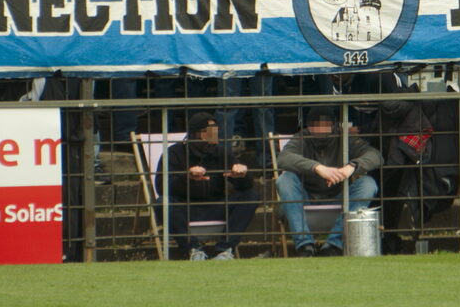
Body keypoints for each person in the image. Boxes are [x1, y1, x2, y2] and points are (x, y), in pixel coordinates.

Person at [276, 106, 382, 256]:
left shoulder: (345, 138)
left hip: (340, 198)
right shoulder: (301, 138)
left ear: (333, 126)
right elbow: (283, 158)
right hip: (305, 198)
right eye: (315, 125)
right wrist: (318, 168)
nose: (320, 129)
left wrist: (351, 167)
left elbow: (375, 156)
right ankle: (305, 246)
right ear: (307, 127)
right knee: (285, 180)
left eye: (325, 125)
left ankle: (334, 245)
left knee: (368, 183)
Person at [156, 112, 259, 260]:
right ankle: (193, 249)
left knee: (251, 196)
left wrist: (241, 176)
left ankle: (224, 249)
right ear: (195, 133)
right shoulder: (174, 153)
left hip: (216, 206)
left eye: (214, 131)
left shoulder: (221, 152)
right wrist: (187, 178)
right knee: (163, 202)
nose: (213, 135)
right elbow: (161, 187)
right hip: (185, 208)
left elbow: (246, 186)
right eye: (207, 131)